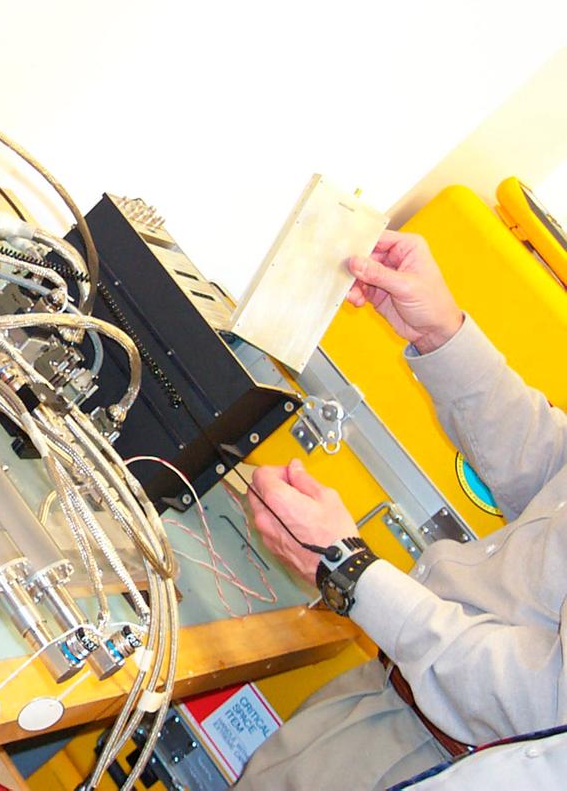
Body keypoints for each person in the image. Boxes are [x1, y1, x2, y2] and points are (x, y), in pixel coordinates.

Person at [234, 230, 567, 790]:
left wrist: (353, 573)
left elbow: (543, 702)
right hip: (391, 691)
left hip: (446, 757)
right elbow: (549, 465)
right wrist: (442, 336)